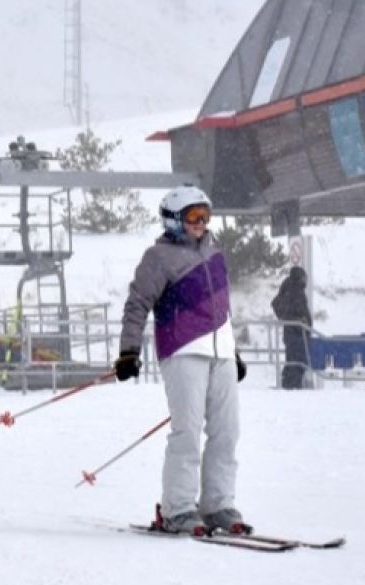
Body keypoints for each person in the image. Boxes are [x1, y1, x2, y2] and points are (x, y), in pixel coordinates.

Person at [114, 186, 250, 537]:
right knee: (187, 432)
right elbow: (137, 303)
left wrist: (232, 350)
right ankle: (178, 508)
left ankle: (218, 504)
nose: (200, 223)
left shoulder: (215, 252)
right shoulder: (158, 257)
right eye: (192, 217)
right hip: (183, 351)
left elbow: (220, 308)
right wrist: (129, 350)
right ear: (174, 220)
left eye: (205, 216)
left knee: (227, 431)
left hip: (218, 352)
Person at [271, 266, 312, 390]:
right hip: (297, 334)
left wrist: (286, 318)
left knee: (293, 360)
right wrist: (299, 321)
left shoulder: (287, 289)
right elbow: (297, 311)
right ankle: (292, 385)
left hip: (292, 333)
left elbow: (277, 304)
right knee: (297, 361)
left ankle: (289, 383)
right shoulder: (295, 291)